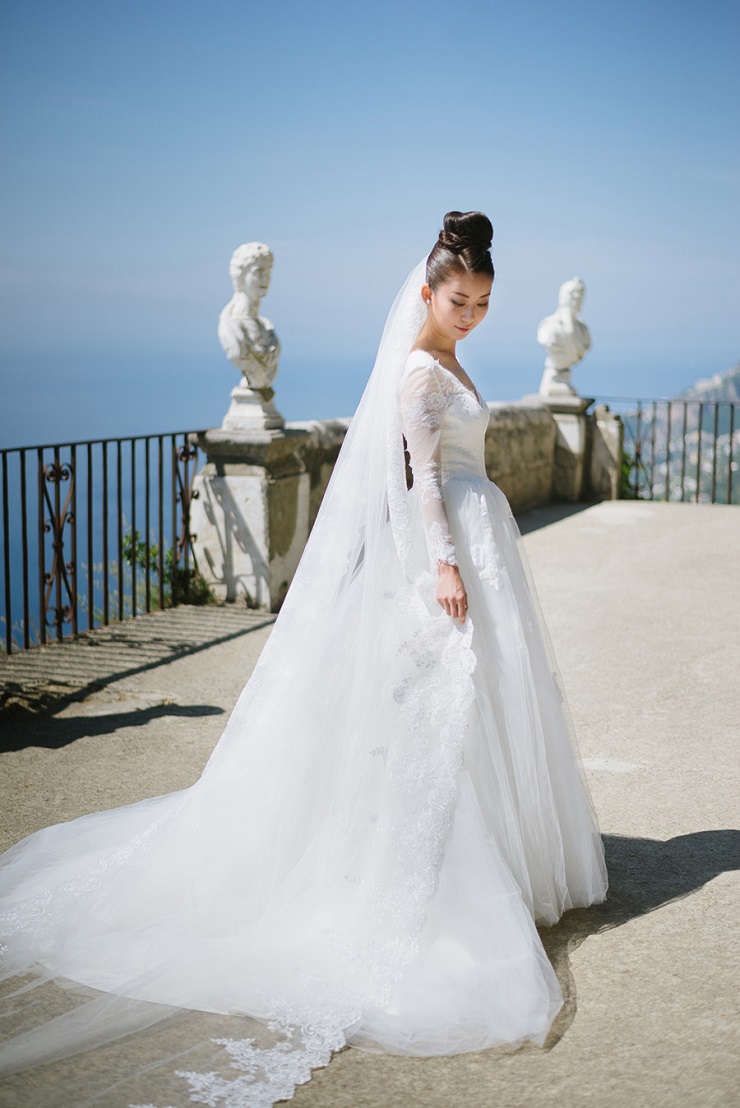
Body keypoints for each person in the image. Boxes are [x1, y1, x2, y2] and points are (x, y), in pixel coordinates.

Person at [0, 212, 608, 1108]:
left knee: (486, 709)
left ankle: (504, 859)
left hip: (485, 545)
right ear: (430, 291)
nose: (472, 313)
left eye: (482, 302)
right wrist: (442, 566)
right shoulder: (413, 370)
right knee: (442, 711)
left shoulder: (451, 358)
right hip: (453, 554)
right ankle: (432, 871)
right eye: (460, 299)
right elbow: (423, 478)